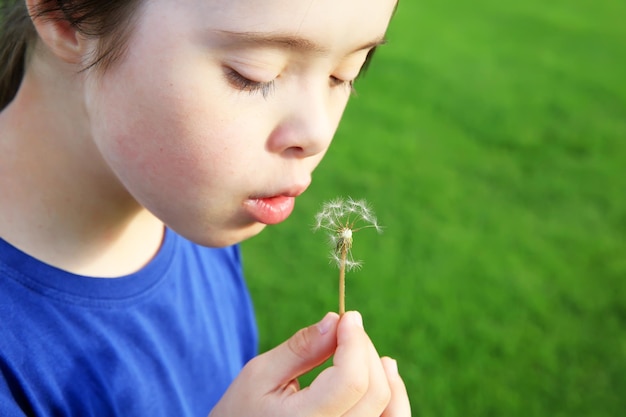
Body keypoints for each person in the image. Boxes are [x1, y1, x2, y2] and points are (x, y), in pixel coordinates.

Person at [0, 0, 411, 415]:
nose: (317, 132)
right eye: (253, 74)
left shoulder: (186, 214)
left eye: (345, 74)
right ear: (66, 14)